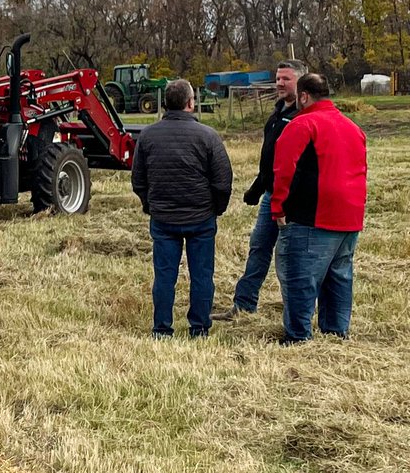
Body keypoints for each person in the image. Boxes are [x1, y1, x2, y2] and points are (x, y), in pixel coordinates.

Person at [131, 79, 233, 338]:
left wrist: (149, 205)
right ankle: (199, 327)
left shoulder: (148, 135)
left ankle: (161, 328)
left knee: (164, 276)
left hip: (163, 218)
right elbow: (223, 181)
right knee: (202, 276)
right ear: (190, 103)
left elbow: (138, 179)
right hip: (200, 218)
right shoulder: (208, 136)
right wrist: (216, 209)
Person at [271, 73, 367, 344]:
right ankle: (336, 333)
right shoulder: (352, 127)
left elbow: (284, 169)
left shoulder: (303, 124)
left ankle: (298, 336)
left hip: (314, 215)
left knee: (300, 277)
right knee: (339, 277)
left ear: (303, 96)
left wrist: (278, 207)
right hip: (349, 216)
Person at [217, 60, 304, 320]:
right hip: (270, 195)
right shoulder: (277, 113)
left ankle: (297, 314)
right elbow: (270, 159)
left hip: (293, 200)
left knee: (290, 257)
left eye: (286, 79)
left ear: (301, 82)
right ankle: (243, 306)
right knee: (259, 247)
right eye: (278, 78)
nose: (279, 83)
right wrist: (257, 187)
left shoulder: (303, 117)